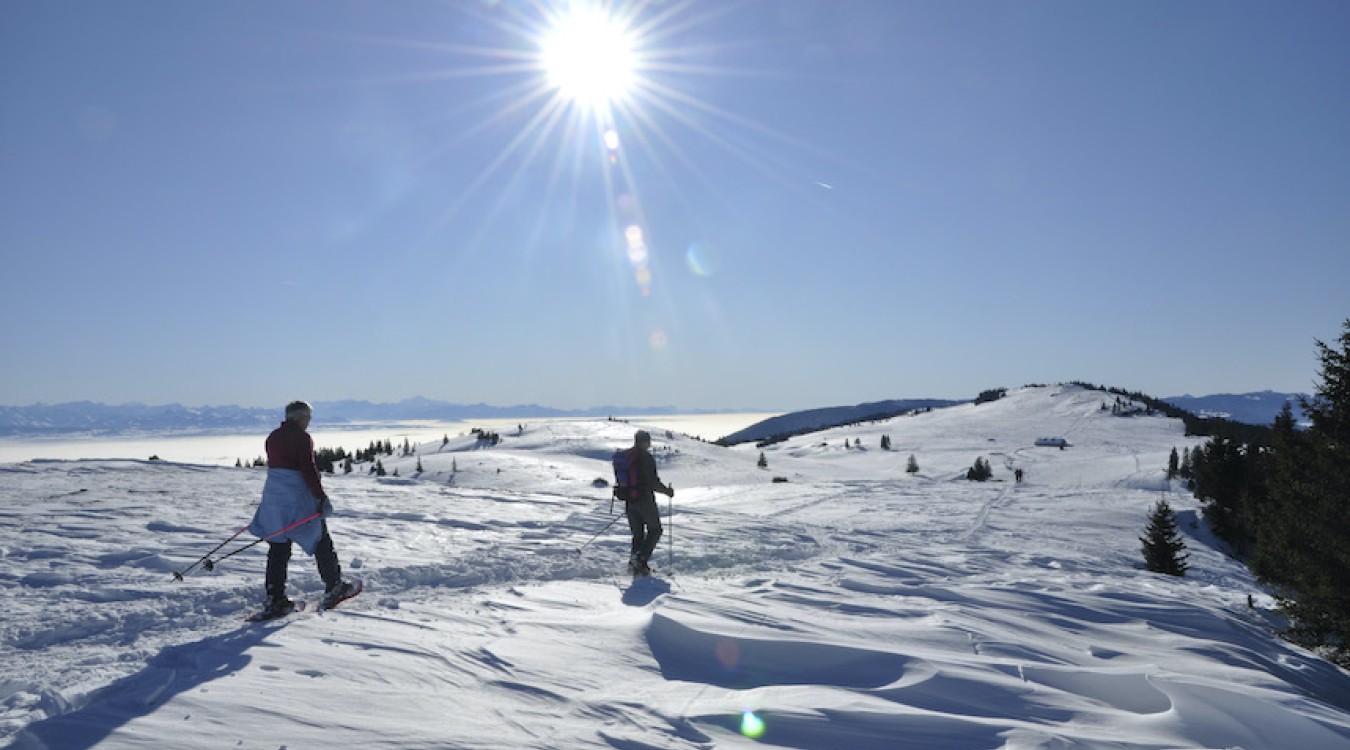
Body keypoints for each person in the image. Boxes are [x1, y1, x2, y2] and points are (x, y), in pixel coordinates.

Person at [248, 400, 356, 616]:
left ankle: (275, 598)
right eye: (308, 417)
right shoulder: (302, 438)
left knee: (278, 547)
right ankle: (335, 585)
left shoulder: (273, 437)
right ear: (300, 417)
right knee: (320, 538)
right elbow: (308, 468)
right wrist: (321, 497)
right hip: (296, 498)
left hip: (274, 499)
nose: (309, 422)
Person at [625, 430, 673, 575]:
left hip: (630, 500)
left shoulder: (627, 457)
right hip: (644, 500)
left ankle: (636, 565)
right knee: (655, 530)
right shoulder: (645, 458)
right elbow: (653, 482)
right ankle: (640, 559)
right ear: (644, 442)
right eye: (648, 440)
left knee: (638, 535)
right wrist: (667, 491)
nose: (650, 443)